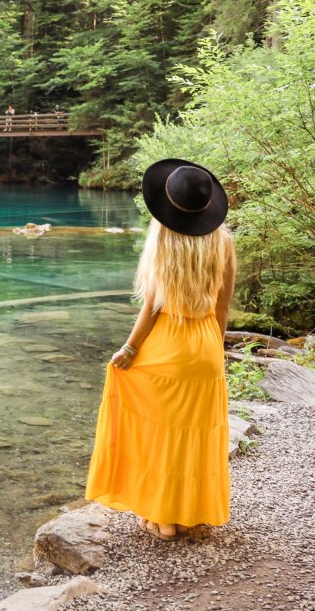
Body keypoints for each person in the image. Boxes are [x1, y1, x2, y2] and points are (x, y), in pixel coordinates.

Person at [85, 158, 236, 541]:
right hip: (204, 346)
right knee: (193, 435)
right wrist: (214, 352)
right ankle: (185, 514)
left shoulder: (164, 239)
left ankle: (161, 516)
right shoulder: (224, 241)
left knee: (158, 433)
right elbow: (222, 307)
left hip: (167, 345)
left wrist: (130, 349)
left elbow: (152, 306)